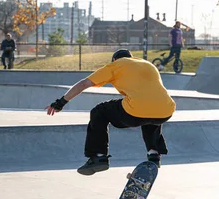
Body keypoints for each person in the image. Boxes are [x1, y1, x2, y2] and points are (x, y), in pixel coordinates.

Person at [46, 49, 176, 175]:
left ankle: (98, 156)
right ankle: (154, 153)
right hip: (166, 110)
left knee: (99, 111)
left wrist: (60, 103)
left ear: (114, 60)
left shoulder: (115, 65)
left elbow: (84, 84)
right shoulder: (147, 64)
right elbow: (150, 93)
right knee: (150, 113)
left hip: (135, 112)